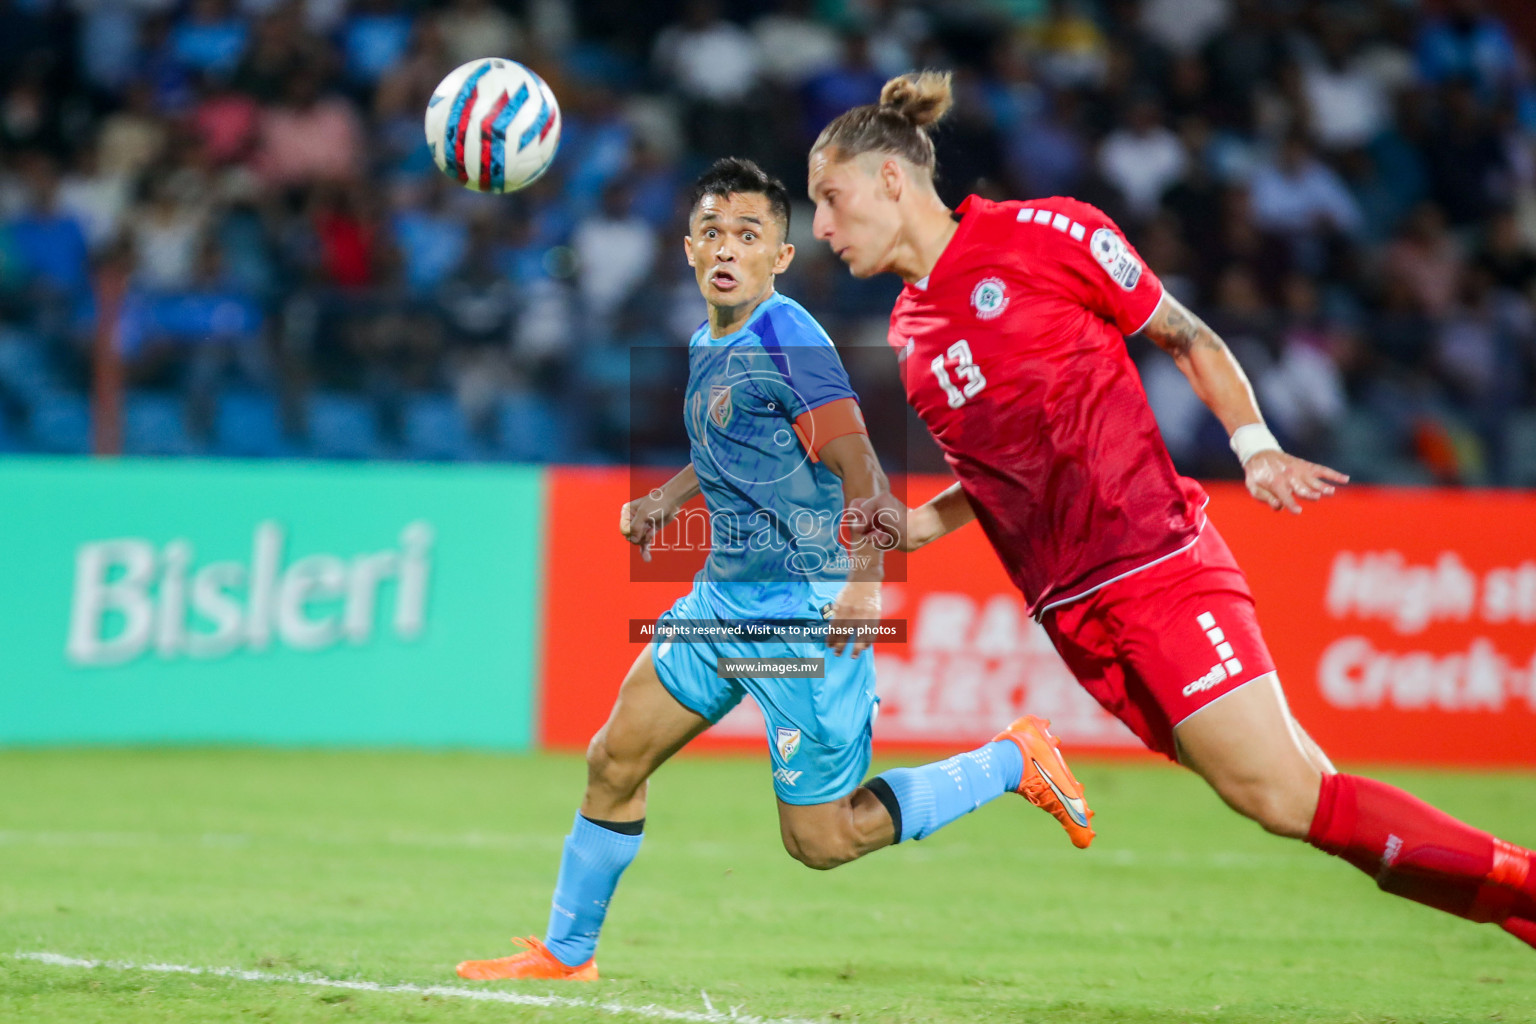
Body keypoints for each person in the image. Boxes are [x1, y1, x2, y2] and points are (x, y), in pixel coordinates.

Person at [807, 72, 1536, 952]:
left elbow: (1185, 335)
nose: (820, 228)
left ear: (891, 180)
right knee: (1306, 801)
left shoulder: (1048, 233)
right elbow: (995, 485)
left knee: (1284, 798)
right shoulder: (911, 332)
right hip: (1075, 617)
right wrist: (891, 529)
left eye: (830, 199)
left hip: (1154, 566)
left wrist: (1254, 445)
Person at [454, 158, 1094, 983]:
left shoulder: (788, 338)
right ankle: (566, 955)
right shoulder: (707, 339)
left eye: (748, 235)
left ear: (779, 258)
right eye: (713, 232)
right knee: (614, 758)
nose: (728, 248)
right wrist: (669, 498)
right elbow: (734, 442)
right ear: (688, 248)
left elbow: (862, 468)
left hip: (803, 609)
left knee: (820, 841)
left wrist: (866, 582)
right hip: (721, 599)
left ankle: (1014, 759)